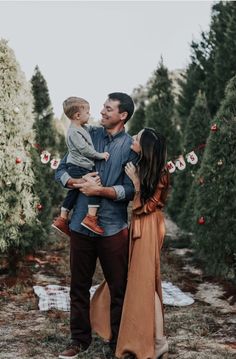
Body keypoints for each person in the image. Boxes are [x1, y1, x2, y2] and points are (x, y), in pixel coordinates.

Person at [55, 92, 138, 359]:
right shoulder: (86, 134)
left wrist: (101, 192)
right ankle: (79, 340)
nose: (102, 111)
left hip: (113, 228)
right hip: (80, 225)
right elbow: (61, 170)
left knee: (119, 287)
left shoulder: (131, 147)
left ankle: (117, 341)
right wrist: (77, 184)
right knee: (79, 285)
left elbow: (130, 190)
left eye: (108, 108)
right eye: (102, 107)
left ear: (122, 115)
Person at [91, 128, 170, 359]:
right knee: (133, 279)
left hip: (149, 227)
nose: (132, 139)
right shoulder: (142, 165)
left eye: (136, 138)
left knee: (146, 282)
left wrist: (135, 182)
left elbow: (146, 207)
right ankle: (139, 335)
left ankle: (159, 341)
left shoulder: (161, 173)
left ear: (144, 146)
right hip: (139, 225)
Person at [52, 96, 110, 236]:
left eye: (108, 109)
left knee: (73, 193)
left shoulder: (83, 128)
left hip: (78, 167)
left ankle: (62, 218)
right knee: (95, 187)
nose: (92, 114)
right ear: (78, 115)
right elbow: (84, 150)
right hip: (80, 167)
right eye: (88, 112)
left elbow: (89, 128)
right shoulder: (75, 132)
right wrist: (100, 155)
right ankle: (90, 218)